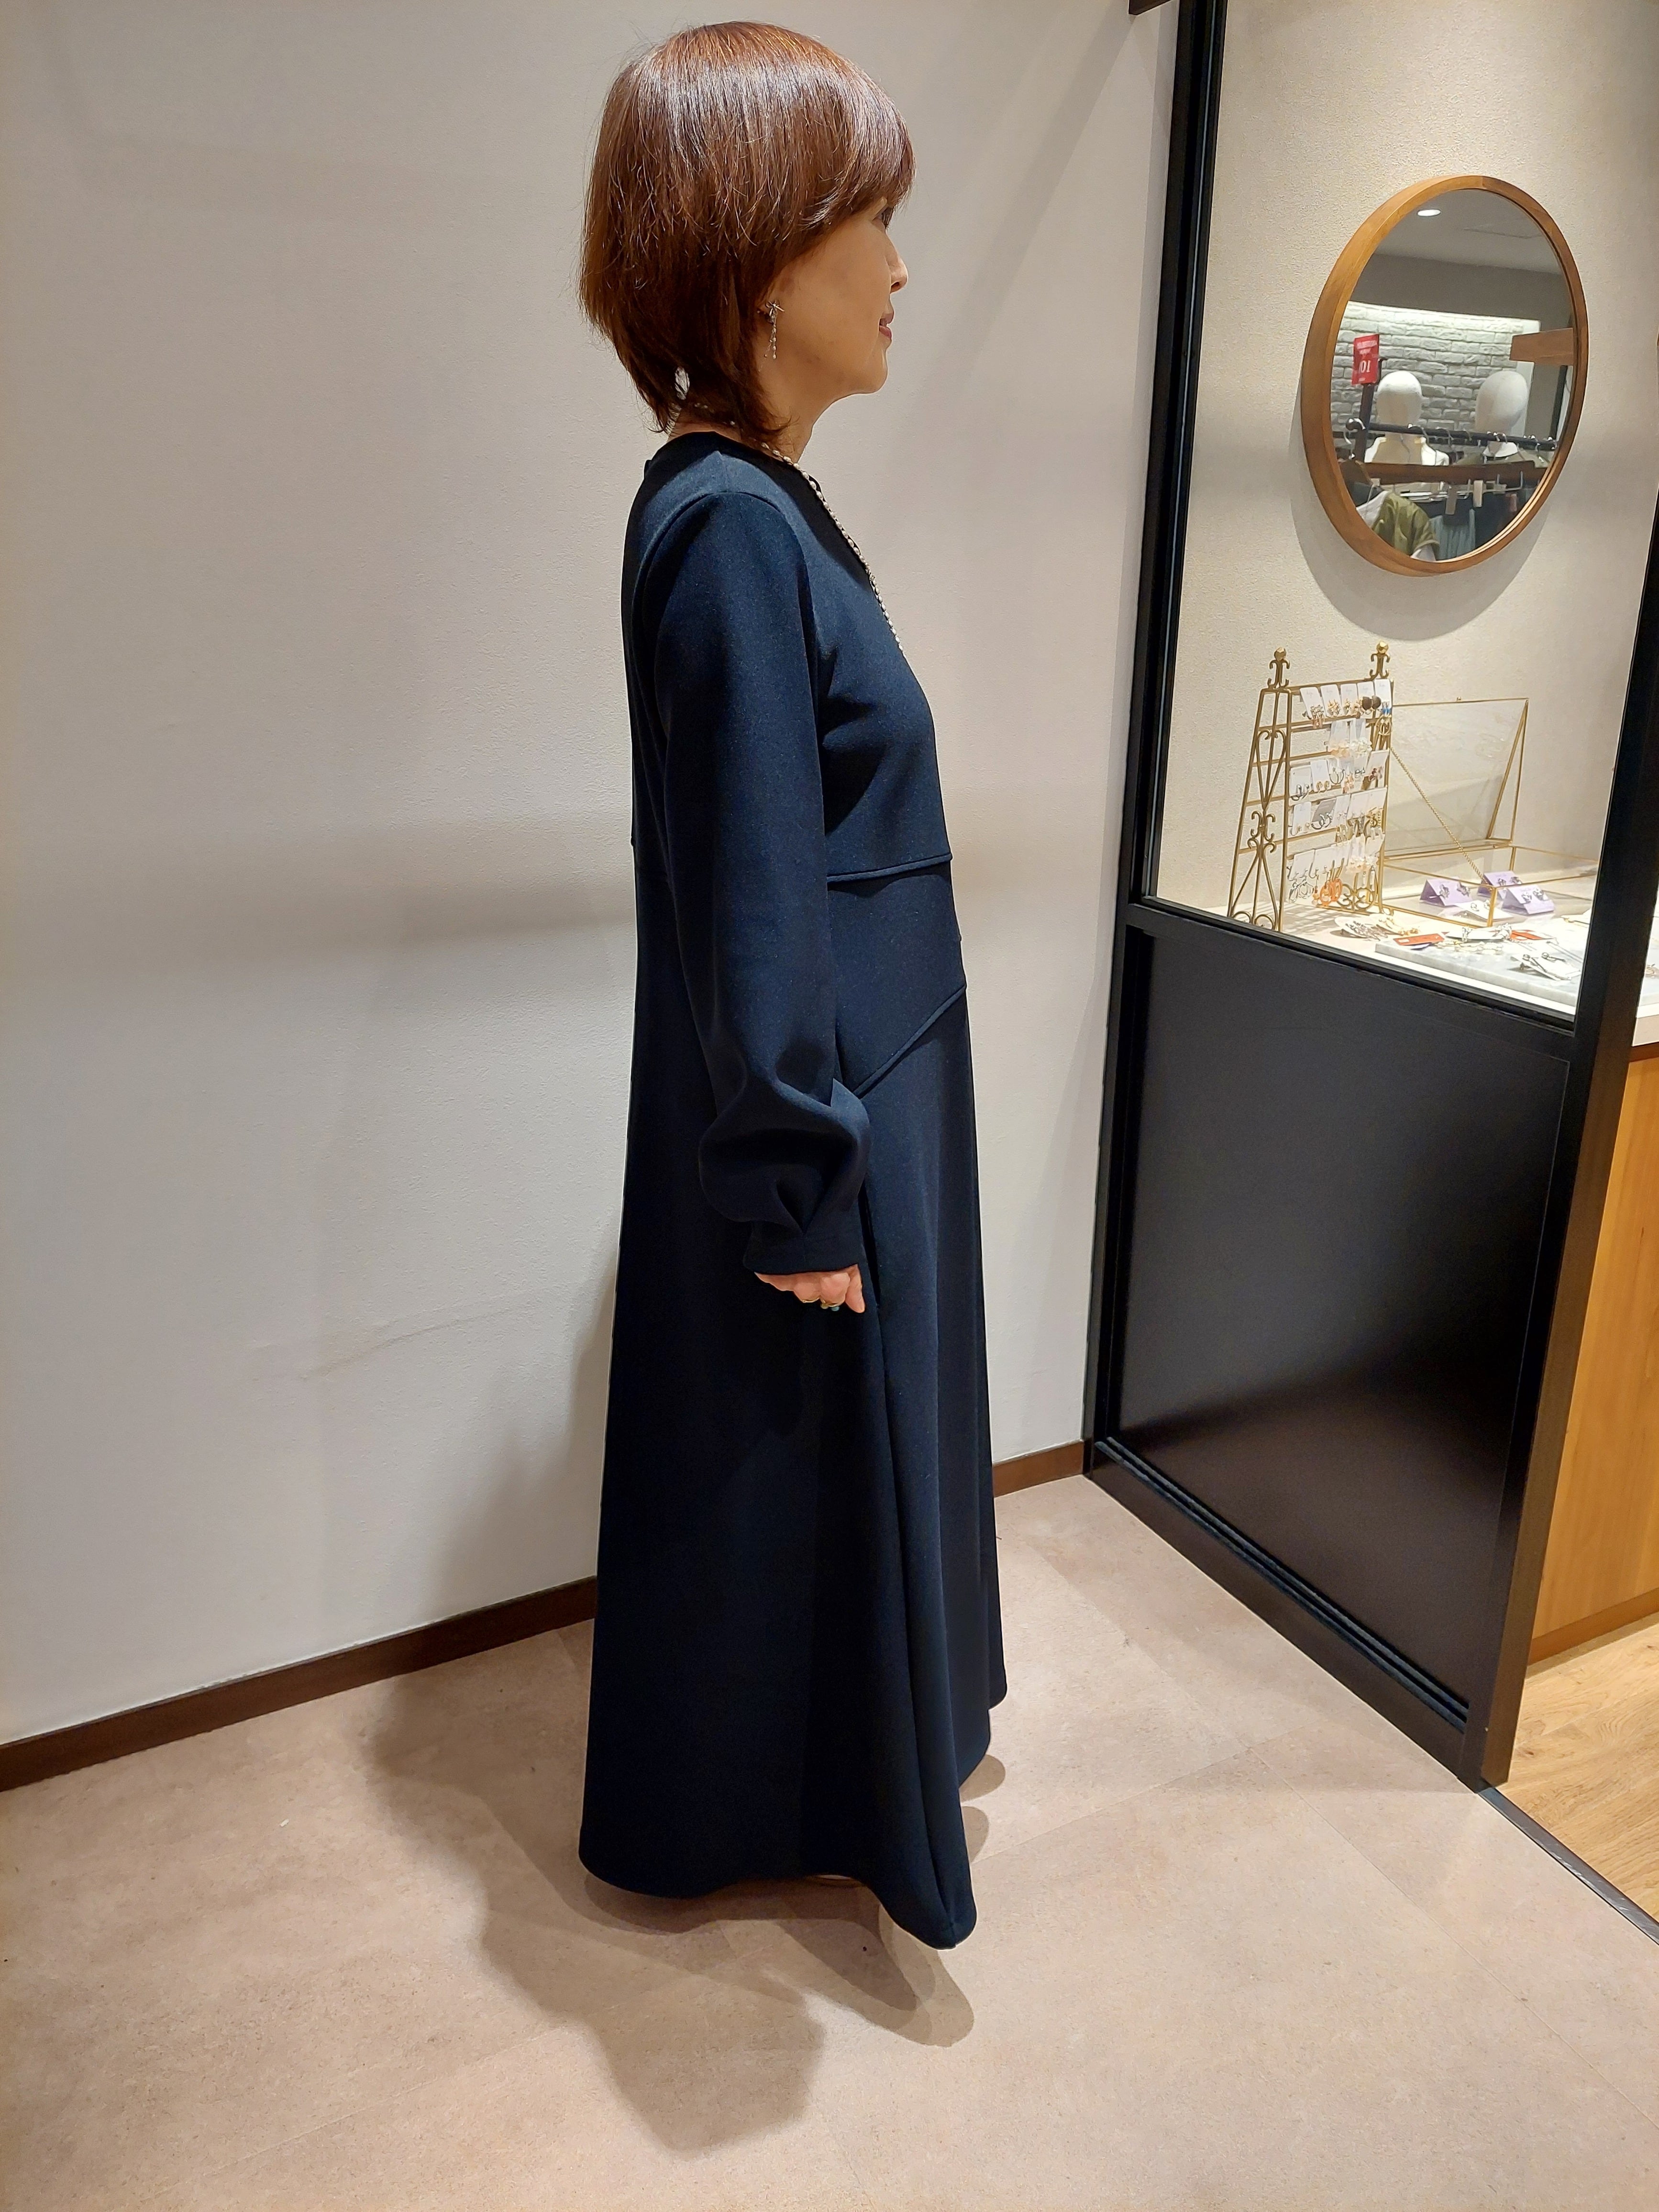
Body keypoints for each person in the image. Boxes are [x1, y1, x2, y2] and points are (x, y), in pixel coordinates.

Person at [575, 20, 1004, 1950]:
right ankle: (799, 1802)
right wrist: (800, 1181)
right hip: (835, 1097)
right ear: (759, 258)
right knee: (794, 1473)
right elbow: (747, 894)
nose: (902, 265)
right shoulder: (731, 533)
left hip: (873, 1074)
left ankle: (833, 1778)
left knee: (814, 1482)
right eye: (870, 222)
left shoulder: (761, 506)